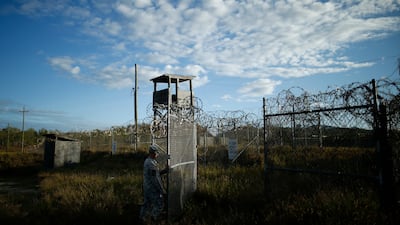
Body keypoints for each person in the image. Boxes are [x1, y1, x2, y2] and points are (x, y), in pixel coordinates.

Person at [140, 145, 168, 222]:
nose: (157, 155)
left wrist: (163, 171)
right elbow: (156, 179)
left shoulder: (148, 161)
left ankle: (142, 218)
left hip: (147, 187)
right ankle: (154, 218)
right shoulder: (151, 164)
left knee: (147, 204)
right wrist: (162, 190)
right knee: (159, 204)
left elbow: (155, 174)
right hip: (152, 188)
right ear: (153, 153)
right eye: (156, 153)